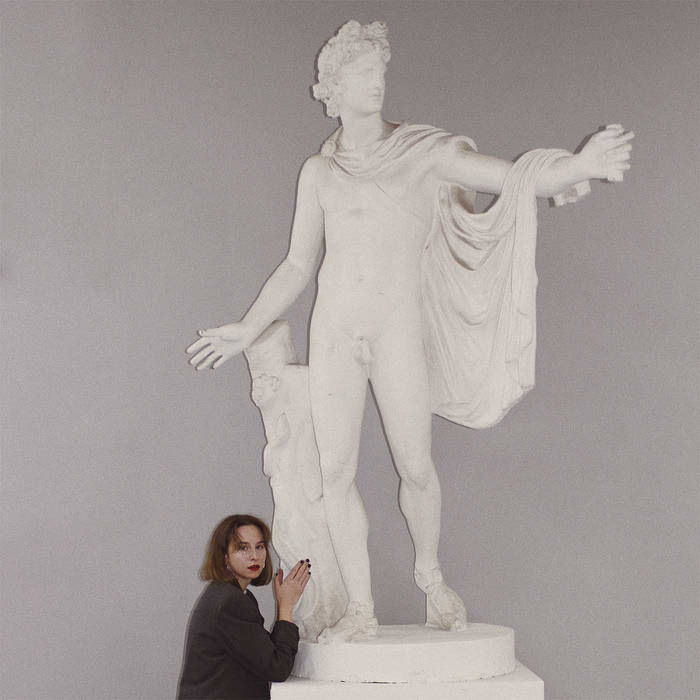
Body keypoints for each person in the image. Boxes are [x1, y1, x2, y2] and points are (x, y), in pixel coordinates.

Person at [186, 21, 633, 642]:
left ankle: (431, 579)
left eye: (380, 71)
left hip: (396, 329)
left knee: (416, 466)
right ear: (333, 89)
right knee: (335, 474)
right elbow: (297, 264)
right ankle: (361, 609)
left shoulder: (424, 152)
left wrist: (577, 166)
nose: (376, 83)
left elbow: (508, 177)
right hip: (336, 331)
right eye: (362, 73)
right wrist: (248, 326)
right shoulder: (319, 171)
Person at [177, 514, 310, 699]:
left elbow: (264, 652)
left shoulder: (229, 594)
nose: (254, 556)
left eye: (259, 546)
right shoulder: (231, 602)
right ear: (224, 556)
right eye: (243, 548)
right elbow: (277, 668)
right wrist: (286, 606)